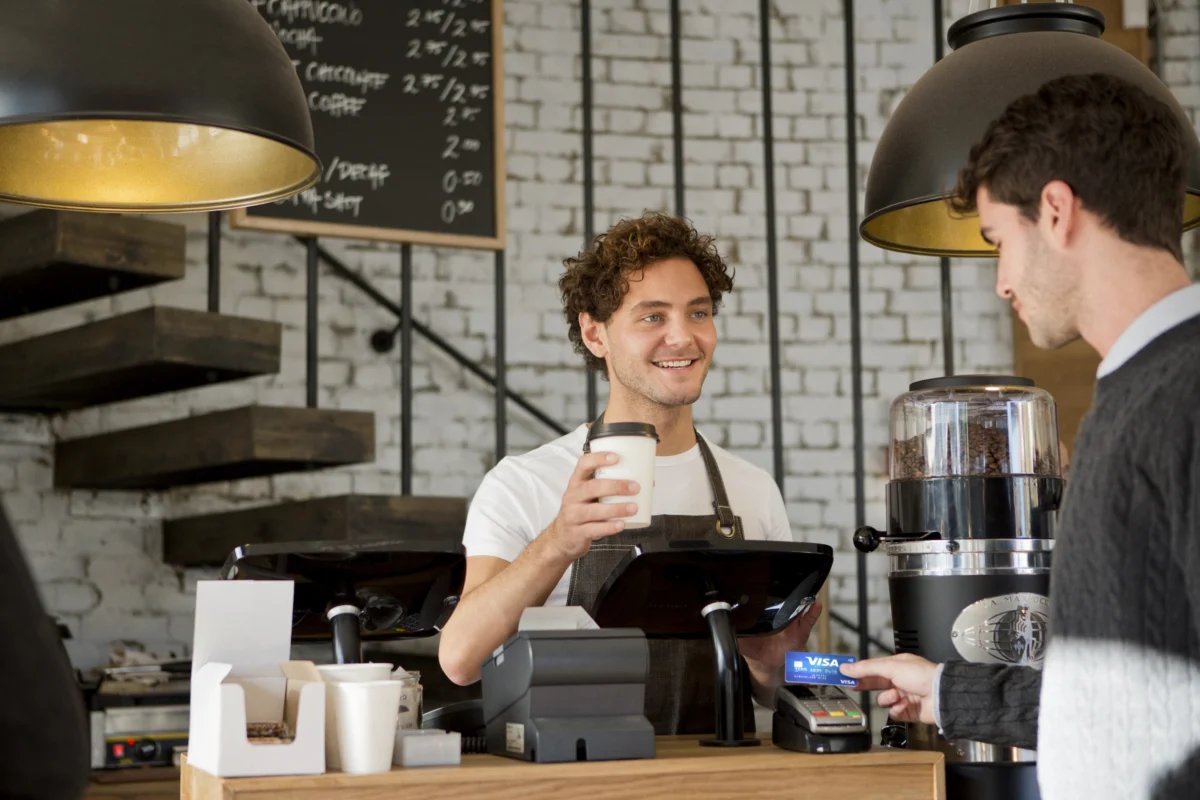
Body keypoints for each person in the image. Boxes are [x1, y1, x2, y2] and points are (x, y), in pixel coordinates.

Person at [841, 73, 1200, 798]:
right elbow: (1121, 701)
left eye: (999, 240)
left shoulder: (1182, 397)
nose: (1001, 282)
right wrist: (946, 691)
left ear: (1058, 211)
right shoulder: (1133, 400)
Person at [438, 212, 821, 734]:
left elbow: (776, 693)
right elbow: (460, 660)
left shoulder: (751, 490)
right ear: (595, 334)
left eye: (699, 313)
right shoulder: (523, 482)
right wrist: (557, 542)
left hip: (712, 785)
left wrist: (769, 662)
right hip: (572, 786)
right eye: (652, 317)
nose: (683, 337)